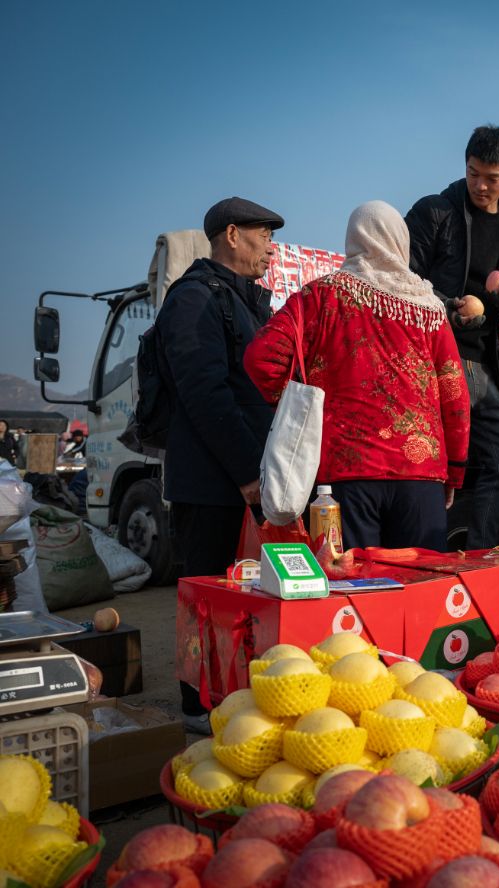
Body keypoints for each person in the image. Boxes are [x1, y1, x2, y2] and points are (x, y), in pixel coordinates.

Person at [245, 201, 470, 549]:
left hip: (342, 479)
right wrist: (454, 471)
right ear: (401, 242)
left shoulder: (319, 297)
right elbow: (455, 393)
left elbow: (261, 357)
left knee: (354, 591)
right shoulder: (429, 308)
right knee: (422, 589)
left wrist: (295, 404)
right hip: (420, 478)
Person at [156, 196, 284, 732]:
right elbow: (204, 392)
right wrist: (248, 471)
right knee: (204, 595)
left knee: (244, 598)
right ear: (232, 234)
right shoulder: (193, 299)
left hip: (246, 478)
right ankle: (196, 705)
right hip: (212, 480)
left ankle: (232, 697)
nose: (270, 245)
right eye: (263, 234)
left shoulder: (252, 301)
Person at [405, 125, 499, 549]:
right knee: (434, 468)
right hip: (435, 354)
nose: (480, 185)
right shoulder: (434, 213)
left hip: (481, 361)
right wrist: (452, 307)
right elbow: (401, 281)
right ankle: (428, 561)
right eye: (473, 173)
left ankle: (478, 556)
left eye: (491, 178)